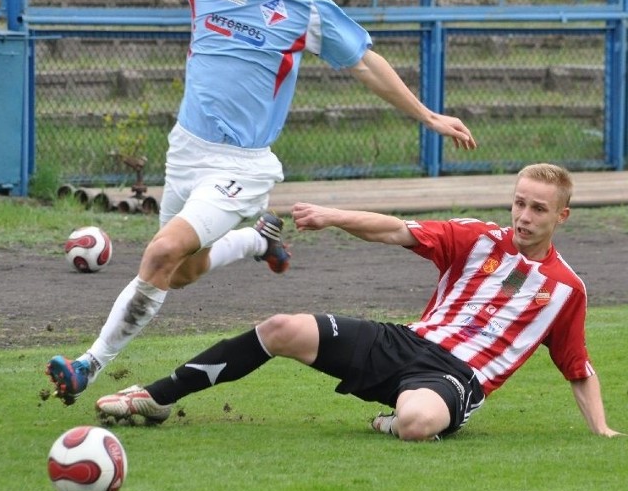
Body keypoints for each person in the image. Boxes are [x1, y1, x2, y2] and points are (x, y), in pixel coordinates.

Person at [1, 0, 477, 406]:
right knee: (183, 271)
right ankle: (257, 239)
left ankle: (89, 363)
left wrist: (427, 115)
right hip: (186, 152)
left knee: (160, 252)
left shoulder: (305, 5)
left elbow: (366, 62)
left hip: (242, 166)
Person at [95, 164, 623, 440]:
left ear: (561, 217)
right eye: (519, 202)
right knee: (282, 327)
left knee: (416, 423)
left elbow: (577, 368)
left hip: (456, 378)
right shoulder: (478, 237)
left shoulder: (566, 290)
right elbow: (398, 230)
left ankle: (395, 420)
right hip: (405, 342)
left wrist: (599, 428)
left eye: (538, 208)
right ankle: (157, 395)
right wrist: (332, 214)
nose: (524, 215)